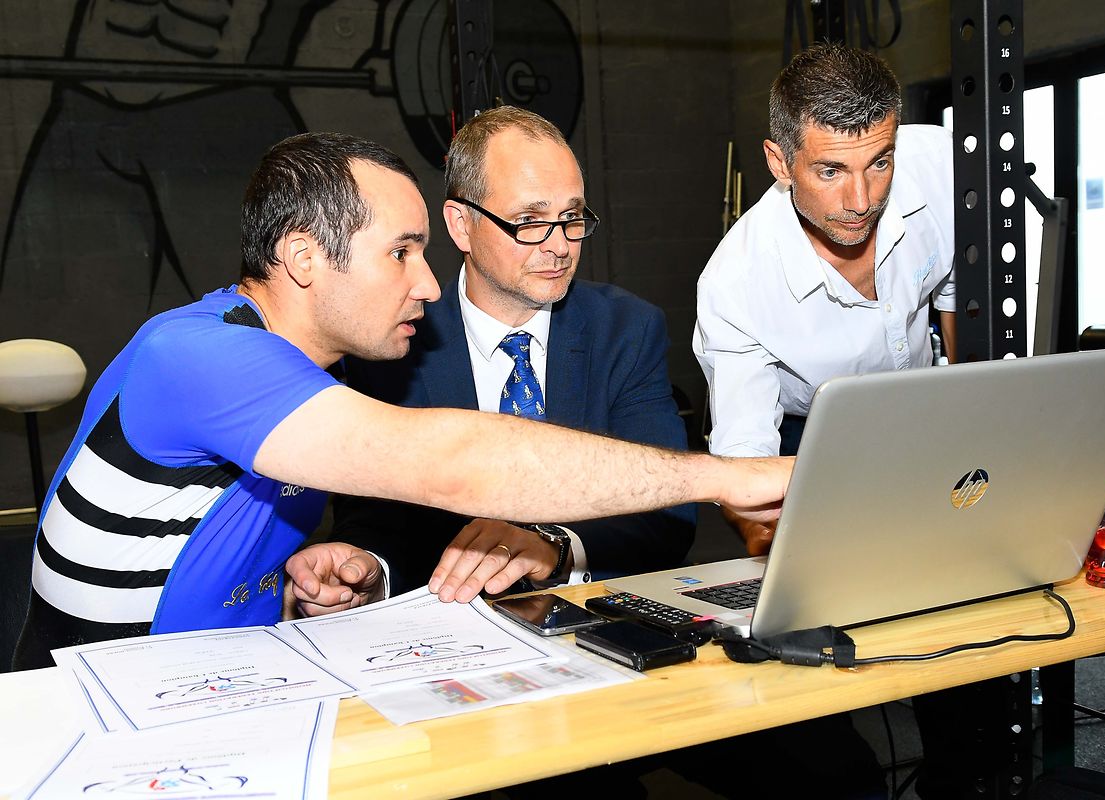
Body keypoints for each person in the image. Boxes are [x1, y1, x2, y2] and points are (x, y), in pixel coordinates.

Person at [11, 131, 791, 671]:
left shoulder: (306, 377)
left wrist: (334, 577)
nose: (426, 283)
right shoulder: (200, 355)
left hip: (217, 681)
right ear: (304, 257)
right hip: (100, 710)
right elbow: (458, 463)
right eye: (400, 253)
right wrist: (725, 476)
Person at [287, 106, 695, 613]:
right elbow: (376, 515)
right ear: (461, 225)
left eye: (571, 218)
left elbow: (667, 513)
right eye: (529, 221)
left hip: (590, 619)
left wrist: (555, 548)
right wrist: (365, 568)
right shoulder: (390, 345)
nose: (560, 246)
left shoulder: (626, 330)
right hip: (446, 626)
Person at [693, 42, 956, 553]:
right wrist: (773, 543)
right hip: (813, 439)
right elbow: (744, 463)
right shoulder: (735, 284)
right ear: (780, 162)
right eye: (831, 171)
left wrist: (978, 418)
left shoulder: (940, 165)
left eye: (879, 163)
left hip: (932, 408)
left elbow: (958, 288)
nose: (862, 201)